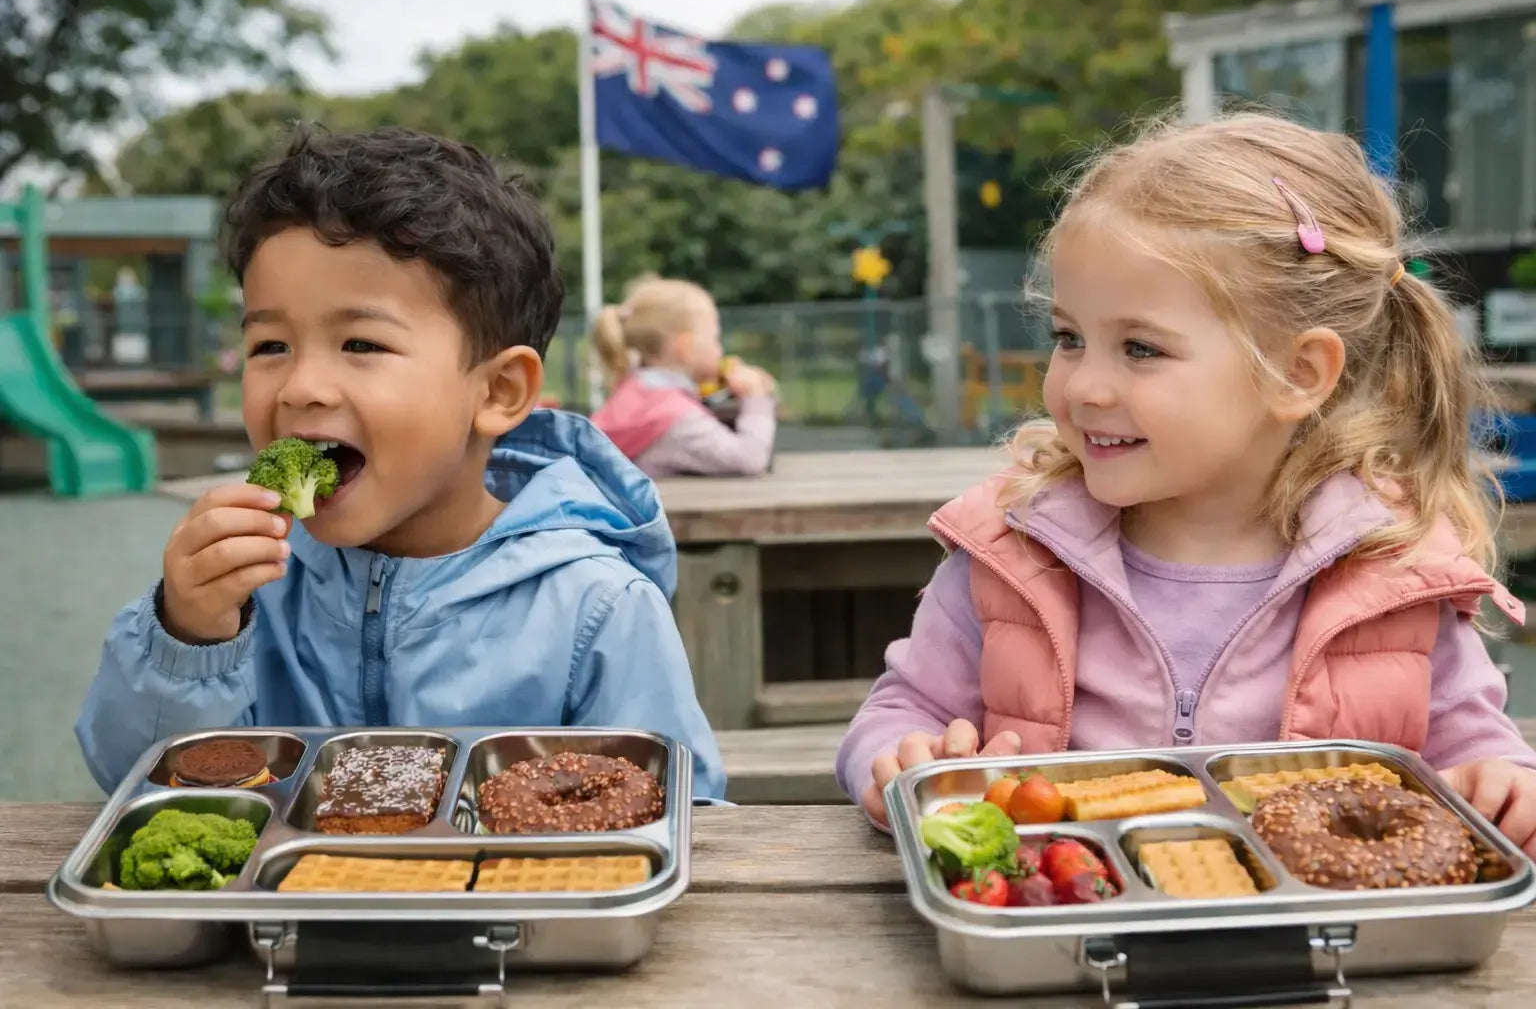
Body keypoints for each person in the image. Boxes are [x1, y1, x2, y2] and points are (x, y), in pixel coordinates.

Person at [835, 110, 1536, 855]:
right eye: (1068, 338)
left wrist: (1508, 782)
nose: (1084, 386)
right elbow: (901, 710)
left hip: (1333, 947)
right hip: (1069, 925)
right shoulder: (1008, 556)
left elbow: (1474, 748)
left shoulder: (1397, 575)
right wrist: (900, 764)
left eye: (1140, 348)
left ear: (1298, 374)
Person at [75, 125, 725, 801]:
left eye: (359, 342)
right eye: (270, 345)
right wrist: (188, 638)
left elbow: (676, 810)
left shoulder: (597, 608)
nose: (300, 386)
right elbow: (132, 780)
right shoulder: (252, 590)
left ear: (498, 392)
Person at [588, 275, 778, 477]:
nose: (719, 350)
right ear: (685, 346)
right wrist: (755, 397)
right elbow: (748, 459)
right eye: (715, 338)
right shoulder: (676, 418)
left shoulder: (635, 394)